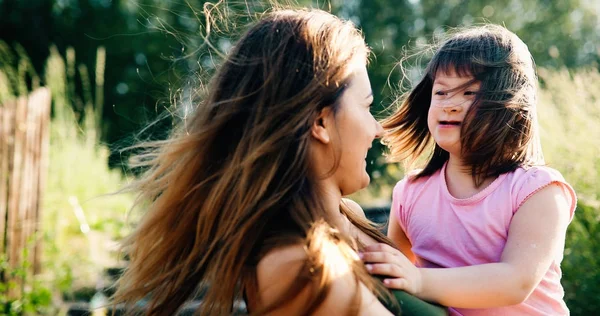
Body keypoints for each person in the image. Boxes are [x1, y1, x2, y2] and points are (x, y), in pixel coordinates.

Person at [111, 7, 447, 316]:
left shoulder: (350, 219)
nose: (376, 129)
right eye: (367, 106)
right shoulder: (300, 266)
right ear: (320, 122)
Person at [360, 25, 577, 315]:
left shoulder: (537, 190)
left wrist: (419, 279)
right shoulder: (410, 193)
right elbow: (395, 273)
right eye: (441, 92)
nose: (450, 104)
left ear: (507, 103)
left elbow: (516, 281)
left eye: (469, 92)